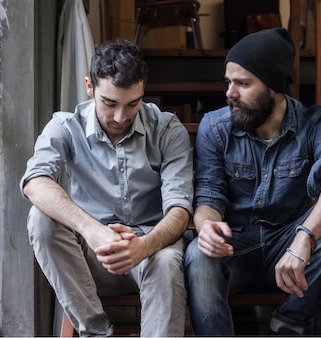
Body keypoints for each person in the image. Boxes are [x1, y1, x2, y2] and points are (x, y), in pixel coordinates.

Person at [184, 27, 321, 335]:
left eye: (242, 83)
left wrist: (304, 238)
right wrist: (207, 227)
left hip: (291, 248)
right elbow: (208, 198)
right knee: (199, 254)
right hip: (235, 248)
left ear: (274, 86)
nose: (230, 93)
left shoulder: (315, 123)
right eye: (229, 82)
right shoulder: (215, 127)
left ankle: (290, 323)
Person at [20, 39, 193, 337]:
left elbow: (179, 210)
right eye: (109, 103)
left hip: (152, 249)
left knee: (166, 263)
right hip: (91, 256)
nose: (120, 117)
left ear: (143, 91)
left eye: (132, 104)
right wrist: (92, 230)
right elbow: (35, 182)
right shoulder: (65, 126)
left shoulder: (167, 129)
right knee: (40, 219)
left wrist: (145, 245)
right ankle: (97, 333)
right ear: (90, 87)